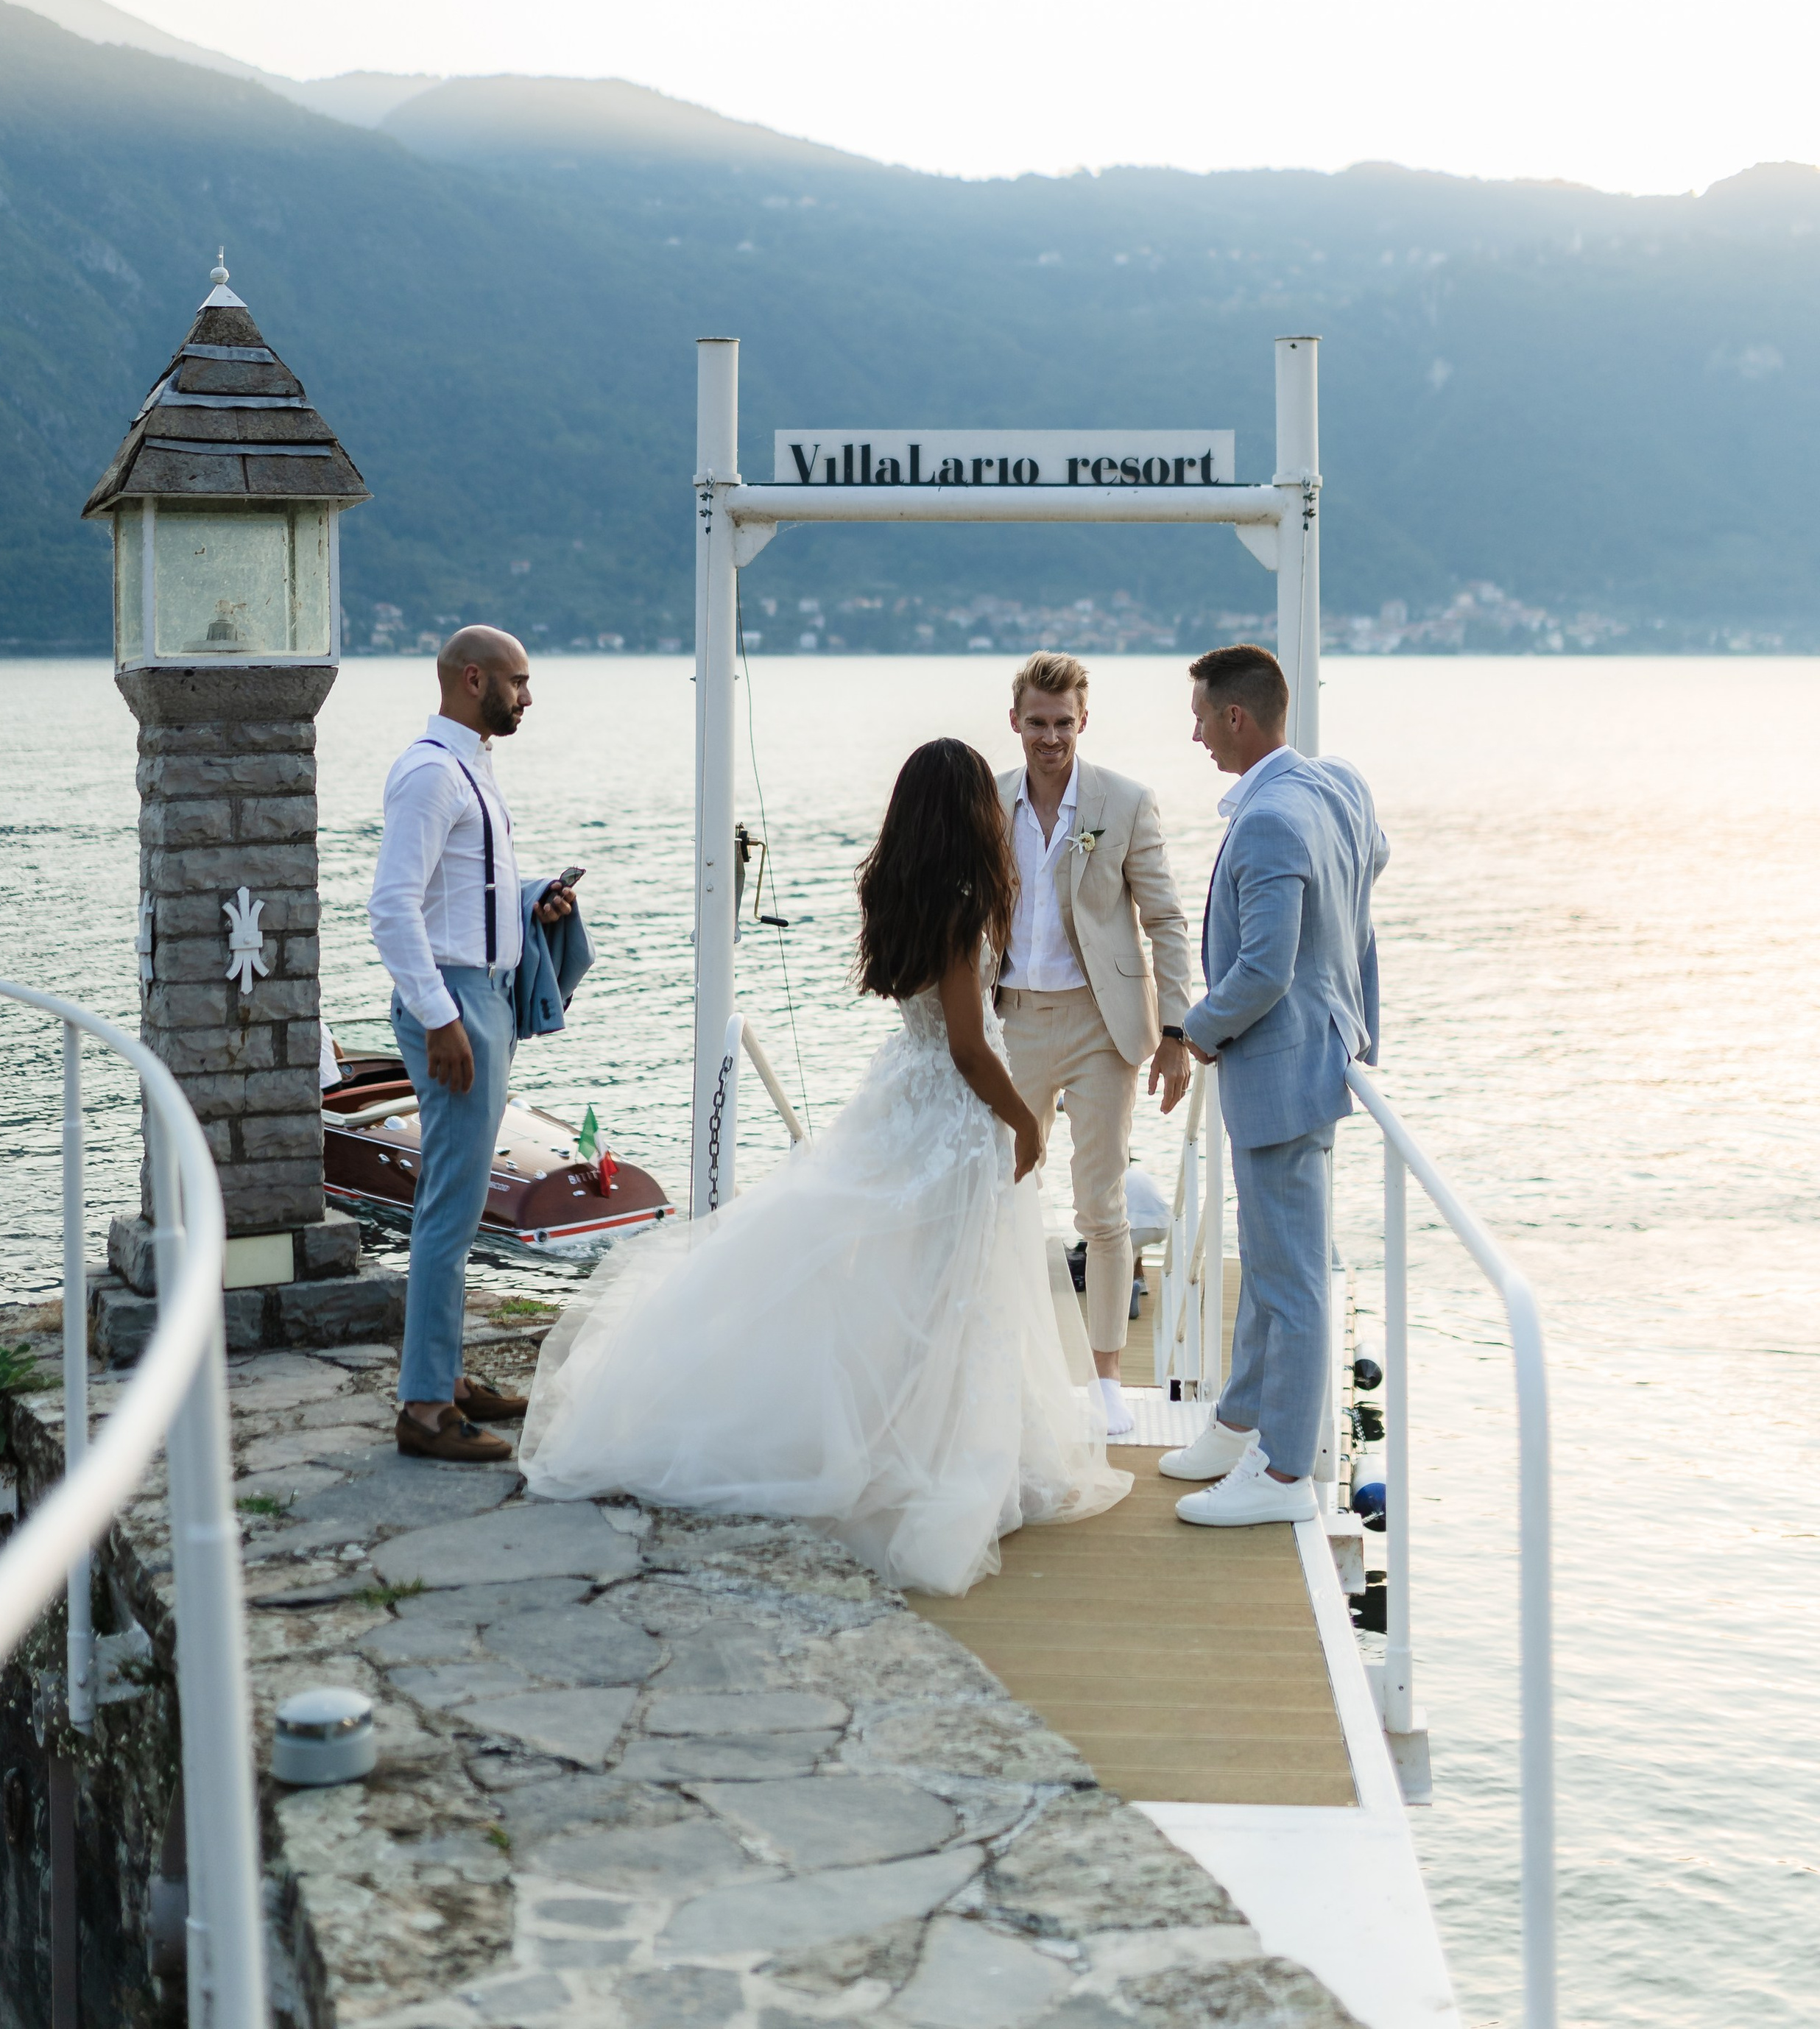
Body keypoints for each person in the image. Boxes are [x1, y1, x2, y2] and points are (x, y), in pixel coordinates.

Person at [520, 738, 1130, 1594]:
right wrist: (1023, 1120)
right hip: (952, 1113)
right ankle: (941, 1454)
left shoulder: (899, 887)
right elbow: (965, 1045)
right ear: (967, 813)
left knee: (929, 1286)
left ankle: (937, 1438)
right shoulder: (959, 902)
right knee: (955, 1289)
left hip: (905, 1094)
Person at [1162, 643, 1387, 1528]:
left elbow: (1260, 971)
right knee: (1265, 1262)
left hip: (1281, 1071)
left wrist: (1194, 1030)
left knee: (1290, 1280)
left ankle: (1286, 1474)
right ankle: (1240, 1421)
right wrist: (1348, 1000)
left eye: (1200, 718)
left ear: (1236, 719)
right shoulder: (1338, 787)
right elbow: (1370, 869)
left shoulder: (1266, 820)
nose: (1194, 735)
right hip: (1319, 1051)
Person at [367, 626, 577, 1462]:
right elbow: (393, 907)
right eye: (518, 683)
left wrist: (532, 902)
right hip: (454, 1000)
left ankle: (445, 1376)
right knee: (451, 1209)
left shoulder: (469, 767)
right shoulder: (428, 774)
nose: (528, 697)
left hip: (478, 993)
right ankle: (423, 1408)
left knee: (450, 1202)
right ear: (473, 678)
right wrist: (441, 1018)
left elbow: (461, 891)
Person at [995, 652, 1193, 1439]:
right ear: (1015, 721)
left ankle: (1106, 1376)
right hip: (1010, 1021)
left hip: (1100, 1026)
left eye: (1064, 724)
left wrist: (1176, 1033)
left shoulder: (1125, 802)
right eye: (1037, 724)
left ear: (1084, 722)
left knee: (1100, 1206)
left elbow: (1166, 922)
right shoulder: (989, 800)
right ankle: (1008, 1363)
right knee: (1002, 1198)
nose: (1051, 739)